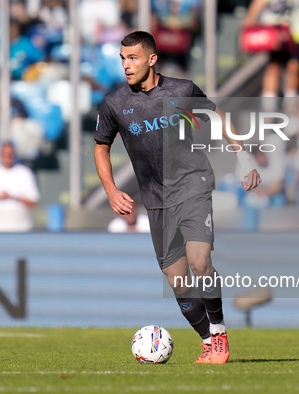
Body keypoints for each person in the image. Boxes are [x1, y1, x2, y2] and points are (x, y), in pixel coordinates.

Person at [94, 31, 261, 364]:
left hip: (193, 185)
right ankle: (206, 340)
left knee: (200, 262)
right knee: (178, 278)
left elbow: (216, 116)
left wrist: (243, 157)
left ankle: (219, 332)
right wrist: (111, 190)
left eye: (134, 58)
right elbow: (101, 146)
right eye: (123, 59)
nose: (127, 66)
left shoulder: (182, 90)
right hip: (155, 199)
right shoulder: (114, 103)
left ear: (152, 59)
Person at [0, 143, 40, 232]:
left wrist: (13, 197)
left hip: (21, 228)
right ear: (0, 155)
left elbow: (34, 202)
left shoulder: (25, 173)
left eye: (10, 154)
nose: (8, 157)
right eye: (5, 154)